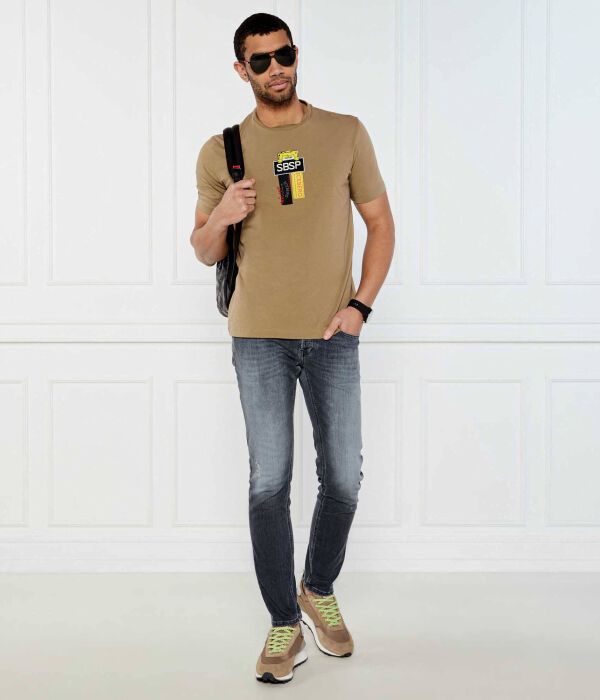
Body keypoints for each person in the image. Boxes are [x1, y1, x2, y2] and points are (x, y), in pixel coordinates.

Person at [190, 12, 395, 684]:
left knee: (344, 478)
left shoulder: (345, 132)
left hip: (333, 334)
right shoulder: (222, 151)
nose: (275, 69)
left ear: (296, 54)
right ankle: (283, 623)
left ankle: (317, 587)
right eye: (260, 61)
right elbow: (204, 249)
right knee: (268, 481)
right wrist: (225, 214)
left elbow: (380, 223)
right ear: (241, 69)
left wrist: (361, 306)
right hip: (259, 337)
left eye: (283, 55)